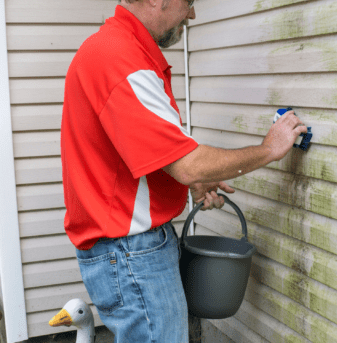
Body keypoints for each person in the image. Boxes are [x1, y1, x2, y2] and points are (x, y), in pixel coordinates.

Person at [60, 0, 307, 342]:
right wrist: (268, 150)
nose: (192, 14)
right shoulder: (121, 59)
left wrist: (181, 184)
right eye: (189, 3)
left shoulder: (116, 50)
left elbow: (131, 154)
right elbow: (187, 164)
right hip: (130, 253)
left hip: (124, 249)